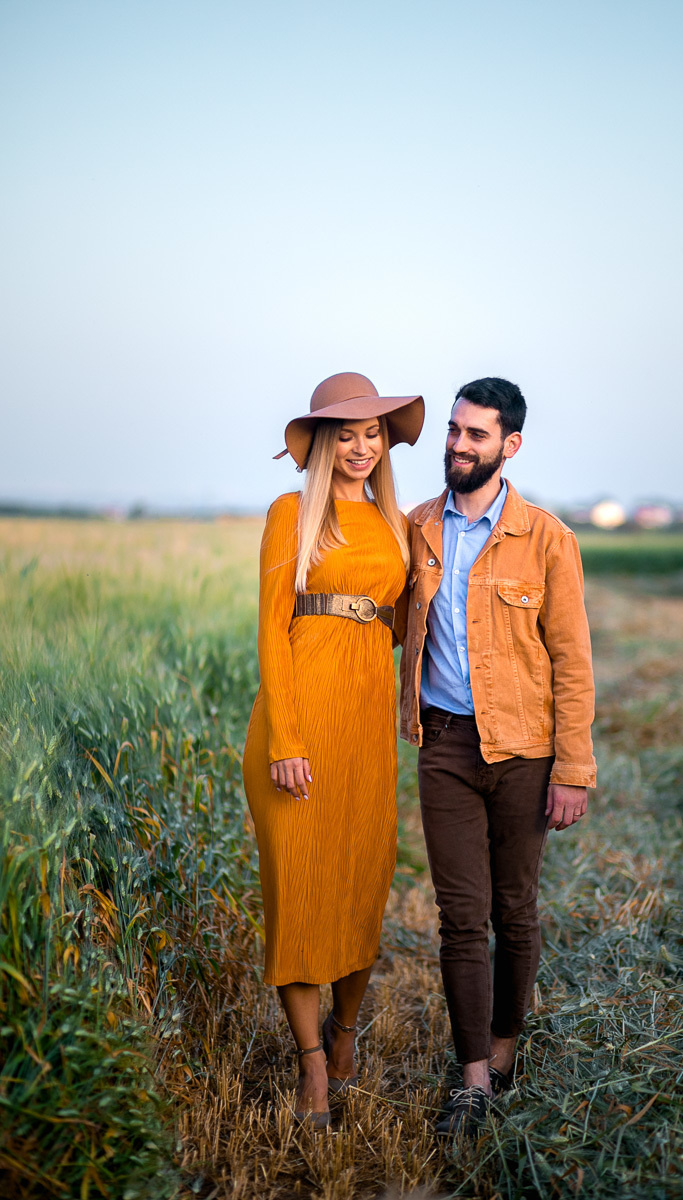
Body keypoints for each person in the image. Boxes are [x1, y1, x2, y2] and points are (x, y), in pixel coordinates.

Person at [399, 377, 596, 1136]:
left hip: (525, 754)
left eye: (476, 435)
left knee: (514, 911)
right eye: (453, 429)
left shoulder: (547, 538)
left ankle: (507, 1047)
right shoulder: (417, 527)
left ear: (509, 446)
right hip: (445, 746)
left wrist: (573, 769)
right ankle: (473, 1078)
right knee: (460, 916)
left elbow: (572, 662)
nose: (457, 444)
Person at [243, 371, 424, 1129]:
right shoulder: (292, 513)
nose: (359, 446)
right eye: (344, 434)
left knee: (361, 883)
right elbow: (272, 633)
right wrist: (285, 738)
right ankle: (312, 1063)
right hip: (299, 725)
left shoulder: (398, 525)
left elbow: (412, 626)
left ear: (385, 443)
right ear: (321, 442)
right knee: (300, 895)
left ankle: (346, 1031)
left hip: (365, 725)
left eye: (371, 433)